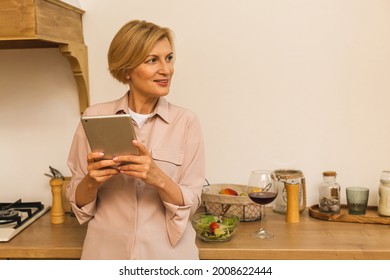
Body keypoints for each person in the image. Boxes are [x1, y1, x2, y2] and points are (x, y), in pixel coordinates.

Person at [66, 19, 205, 260]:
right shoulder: (94, 117)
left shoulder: (186, 122)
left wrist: (157, 177)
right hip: (104, 256)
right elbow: (76, 202)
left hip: (168, 259)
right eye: (153, 60)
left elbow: (192, 203)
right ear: (127, 69)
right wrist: (91, 181)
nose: (166, 69)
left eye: (168, 58)